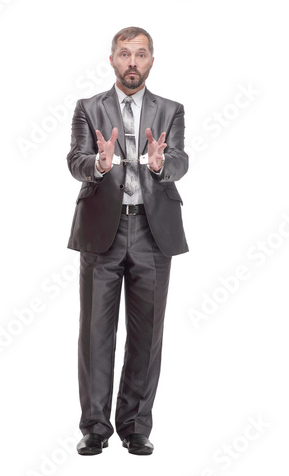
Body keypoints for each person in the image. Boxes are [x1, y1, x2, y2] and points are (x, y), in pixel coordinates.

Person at [66, 26, 189, 456]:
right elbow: (75, 160)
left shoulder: (171, 109)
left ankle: (136, 426)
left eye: (140, 54)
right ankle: (95, 427)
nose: (132, 62)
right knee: (95, 333)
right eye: (124, 54)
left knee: (146, 335)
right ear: (112, 60)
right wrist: (97, 164)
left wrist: (160, 164)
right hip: (103, 229)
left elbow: (179, 158)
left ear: (152, 60)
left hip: (154, 233)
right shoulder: (88, 108)